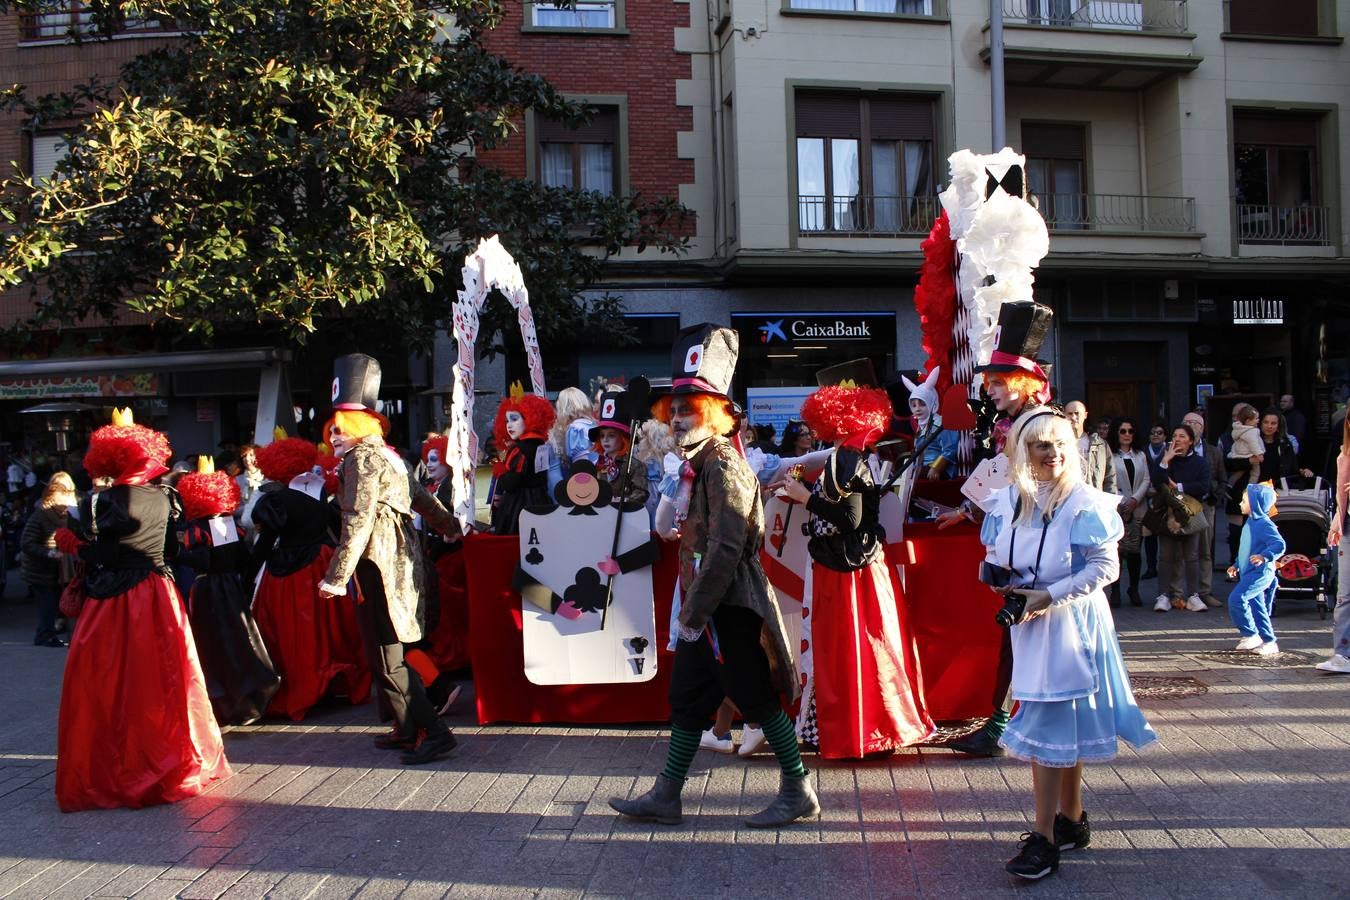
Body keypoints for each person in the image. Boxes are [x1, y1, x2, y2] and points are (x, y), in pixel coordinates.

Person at [609, 323, 817, 829]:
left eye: (689, 410)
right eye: (674, 410)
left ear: (715, 416)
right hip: (704, 608)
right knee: (686, 697)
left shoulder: (723, 466)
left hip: (728, 607)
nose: (678, 418)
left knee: (753, 696)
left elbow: (727, 546)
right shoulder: (695, 466)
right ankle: (667, 795)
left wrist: (696, 615)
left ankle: (798, 789)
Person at [981, 410, 1156, 880]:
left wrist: (1049, 594)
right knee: (1060, 725)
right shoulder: (1005, 502)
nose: (1055, 453)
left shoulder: (1086, 502)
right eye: (1042, 445)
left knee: (1051, 727)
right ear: (1023, 452)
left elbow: (1105, 569)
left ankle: (1044, 839)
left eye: (1061, 443)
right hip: (1029, 623)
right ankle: (1071, 820)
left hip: (1071, 625)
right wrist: (1003, 582)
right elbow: (994, 554)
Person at [54, 410, 230, 811]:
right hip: (159, 594)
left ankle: (119, 768)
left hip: (115, 602)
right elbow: (171, 551)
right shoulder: (168, 496)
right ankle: (175, 759)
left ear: (109, 459)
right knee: (169, 679)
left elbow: (109, 554)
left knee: (108, 683)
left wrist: (71, 543)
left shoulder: (101, 501)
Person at [777, 366, 934, 759]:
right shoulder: (846, 455)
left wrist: (803, 496)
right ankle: (856, 727)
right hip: (850, 567)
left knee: (849, 650)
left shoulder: (847, 458)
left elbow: (850, 519)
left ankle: (861, 730)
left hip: (848, 572)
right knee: (853, 650)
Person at [319, 353, 462, 766]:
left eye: (341, 429)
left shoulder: (362, 460)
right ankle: (406, 726)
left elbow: (358, 519)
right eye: (333, 430)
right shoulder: (390, 456)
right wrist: (451, 525)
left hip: (377, 567)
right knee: (392, 650)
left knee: (388, 657)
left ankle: (433, 733)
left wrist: (336, 575)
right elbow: (424, 500)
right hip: (398, 562)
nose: (335, 436)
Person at [945, 299, 1054, 759]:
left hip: (1039, 553)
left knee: (1025, 640)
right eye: (988, 380)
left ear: (1025, 382)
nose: (988, 388)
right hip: (1022, 547)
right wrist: (971, 513)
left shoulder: (1042, 426)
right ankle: (1009, 722)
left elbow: (1045, 491)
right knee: (1018, 640)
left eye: (997, 381)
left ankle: (1004, 726)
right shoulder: (1022, 423)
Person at [251, 435, 371, 720]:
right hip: (321, 564)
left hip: (291, 574)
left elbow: (265, 542)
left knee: (296, 633)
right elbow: (337, 526)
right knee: (329, 630)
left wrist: (244, 573)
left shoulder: (276, 500)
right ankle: (331, 682)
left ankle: (304, 687)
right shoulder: (316, 492)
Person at [176, 458, 280, 725]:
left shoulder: (197, 530)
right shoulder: (231, 525)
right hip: (231, 587)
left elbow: (204, 561)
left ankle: (222, 701)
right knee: (240, 640)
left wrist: (178, 555)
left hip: (208, 590)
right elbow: (243, 558)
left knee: (212, 645)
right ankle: (247, 698)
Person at [1149, 424, 1211, 613]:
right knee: (1165, 556)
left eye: (1182, 436)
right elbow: (1157, 480)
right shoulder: (1167, 458)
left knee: (1191, 556)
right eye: (1175, 435)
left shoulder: (1200, 462)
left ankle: (1193, 595)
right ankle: (1163, 596)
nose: (1177, 439)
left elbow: (1204, 486)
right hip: (1168, 513)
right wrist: (1166, 460)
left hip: (1191, 512)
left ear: (1191, 441)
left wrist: (1180, 487)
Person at [1225, 483, 1285, 656]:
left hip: (1260, 573)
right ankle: (1268, 640)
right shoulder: (1251, 521)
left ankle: (1251, 634)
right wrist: (1236, 565)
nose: (1240, 503)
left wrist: (1264, 556)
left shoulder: (1264, 524)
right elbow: (1246, 549)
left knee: (1237, 599)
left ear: (1256, 503)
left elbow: (1279, 544)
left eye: (1244, 500)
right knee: (1258, 609)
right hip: (1250, 573)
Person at [490, 385, 557, 535]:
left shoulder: (519, 449)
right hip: (540, 501)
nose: (509, 425)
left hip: (520, 506)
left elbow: (511, 484)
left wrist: (501, 471)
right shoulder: (541, 444)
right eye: (507, 420)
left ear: (529, 419)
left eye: (514, 419)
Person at [21, 472, 77, 647]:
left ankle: (46, 633)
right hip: (41, 570)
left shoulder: (66, 515)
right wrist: (48, 553)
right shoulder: (41, 514)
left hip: (57, 570)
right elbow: (27, 543)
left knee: (53, 603)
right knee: (48, 604)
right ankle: (45, 635)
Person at [1182, 411, 1226, 608]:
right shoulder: (1175, 448)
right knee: (1181, 550)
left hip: (1206, 505)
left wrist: (1216, 496)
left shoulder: (1213, 451)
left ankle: (1205, 591)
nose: (1191, 425)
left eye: (1195, 422)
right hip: (1181, 505)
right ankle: (1180, 593)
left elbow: (1222, 478)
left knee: (1205, 550)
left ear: (1202, 427)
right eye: (1187, 422)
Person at [1318, 413, 1350, 674]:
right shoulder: (1344, 454)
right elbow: (1341, 496)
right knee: (1344, 595)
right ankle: (1342, 653)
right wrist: (1336, 523)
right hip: (1348, 526)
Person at [1107, 418, 1148, 607]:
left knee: (1135, 553)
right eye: (1123, 431)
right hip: (1117, 509)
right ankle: (1115, 590)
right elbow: (1108, 480)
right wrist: (1123, 501)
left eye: (1130, 431)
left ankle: (1134, 588)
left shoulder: (1140, 455)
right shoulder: (1110, 455)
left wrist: (1134, 500)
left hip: (1137, 509)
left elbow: (1146, 479)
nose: (1127, 435)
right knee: (1117, 552)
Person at [591, 389, 649, 510]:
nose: (605, 440)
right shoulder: (598, 465)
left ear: (623, 438)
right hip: (602, 516)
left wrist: (624, 502)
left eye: (611, 435)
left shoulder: (634, 466)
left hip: (625, 517)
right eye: (602, 436)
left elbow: (641, 492)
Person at [902, 367, 959, 478]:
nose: (917, 409)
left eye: (922, 404)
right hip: (922, 467)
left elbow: (950, 449)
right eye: (914, 405)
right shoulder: (921, 426)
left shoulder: (942, 424)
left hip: (942, 470)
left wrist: (936, 467)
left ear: (932, 403)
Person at [1063, 401, 1117, 495]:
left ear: (1085, 415)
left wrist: (1110, 504)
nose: (1073, 417)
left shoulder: (1100, 444)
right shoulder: (1059, 443)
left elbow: (1110, 476)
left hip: (1094, 498)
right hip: (1067, 498)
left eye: (1077, 413)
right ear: (1064, 415)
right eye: (1070, 414)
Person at [1256, 408, 1313, 485]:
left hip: (1279, 489)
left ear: (1278, 425)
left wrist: (1303, 472)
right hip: (1256, 489)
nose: (1269, 426)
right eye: (1266, 422)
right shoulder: (1253, 442)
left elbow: (1293, 469)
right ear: (1260, 423)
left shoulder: (1285, 443)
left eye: (1273, 423)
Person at [1141, 423, 1168, 578]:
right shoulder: (1143, 452)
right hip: (1146, 497)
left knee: (1165, 534)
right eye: (1152, 433)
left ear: (1165, 436)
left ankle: (1164, 566)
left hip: (1164, 496)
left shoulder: (1169, 451)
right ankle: (1151, 567)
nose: (1156, 435)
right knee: (1149, 533)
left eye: (1159, 432)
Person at [1227, 405, 1265, 485]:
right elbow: (1253, 444)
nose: (1258, 420)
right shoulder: (1251, 432)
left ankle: (1229, 484)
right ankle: (1250, 488)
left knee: (1239, 472)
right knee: (1255, 473)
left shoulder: (1239, 429)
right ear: (1248, 421)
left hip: (1239, 455)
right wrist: (1259, 454)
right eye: (1256, 419)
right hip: (1251, 455)